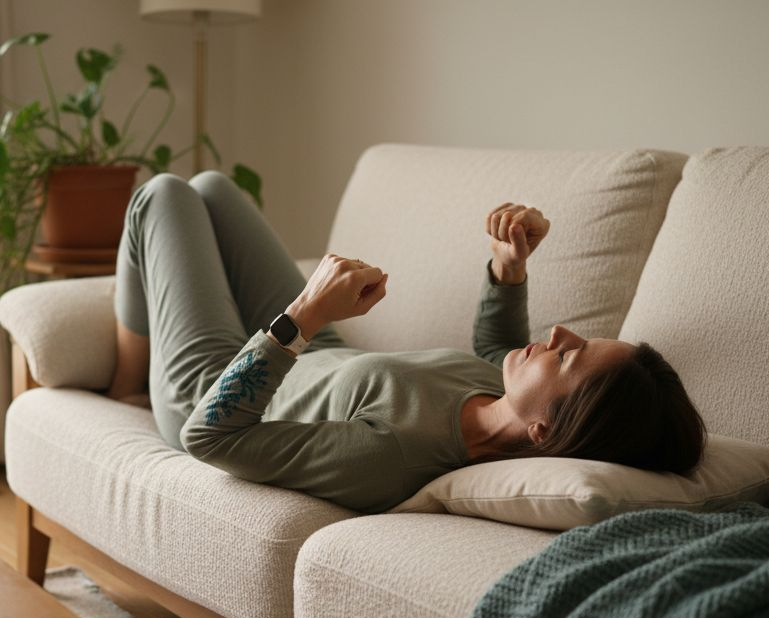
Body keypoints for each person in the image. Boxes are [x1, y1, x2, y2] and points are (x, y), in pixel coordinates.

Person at [106, 172, 705, 514]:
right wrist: (509, 266)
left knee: (163, 195)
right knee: (212, 186)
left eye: (569, 356)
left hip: (214, 388)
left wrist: (304, 315)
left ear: (546, 431)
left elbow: (211, 437)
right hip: (314, 352)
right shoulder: (500, 397)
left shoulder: (391, 453)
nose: (556, 334)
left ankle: (128, 383)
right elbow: (495, 345)